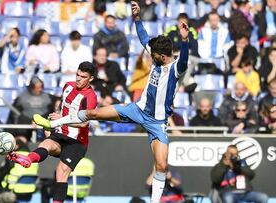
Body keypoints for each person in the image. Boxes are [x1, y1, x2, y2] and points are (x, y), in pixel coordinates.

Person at [30, 1, 190, 202]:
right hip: (137, 109)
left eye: (154, 55)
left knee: (161, 166)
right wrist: (137, 17)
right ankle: (54, 123)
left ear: (162, 55)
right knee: (93, 112)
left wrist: (185, 40)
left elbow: (183, 59)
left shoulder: (175, 68)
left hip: (157, 122)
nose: (150, 57)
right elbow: (143, 38)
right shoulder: (157, 54)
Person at [8, 61, 98, 203]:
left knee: (61, 172)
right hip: (61, 133)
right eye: (77, 75)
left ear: (91, 79)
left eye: (83, 76)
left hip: (77, 142)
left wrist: (61, 119)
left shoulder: (91, 97)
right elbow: (61, 108)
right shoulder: (68, 86)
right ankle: (29, 160)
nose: (78, 79)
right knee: (47, 144)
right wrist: (51, 126)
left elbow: (85, 122)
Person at [0, 136, 39, 203]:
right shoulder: (32, 158)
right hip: (28, 193)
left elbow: (0, 174)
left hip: (11, 191)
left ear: (16, 146)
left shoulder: (14, 157)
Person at [7, 75, 53, 141]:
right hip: (25, 125)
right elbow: (15, 114)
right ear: (32, 87)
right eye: (37, 88)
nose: (40, 89)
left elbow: (50, 112)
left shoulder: (48, 98)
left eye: (41, 87)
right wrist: (29, 121)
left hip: (42, 125)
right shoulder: (21, 98)